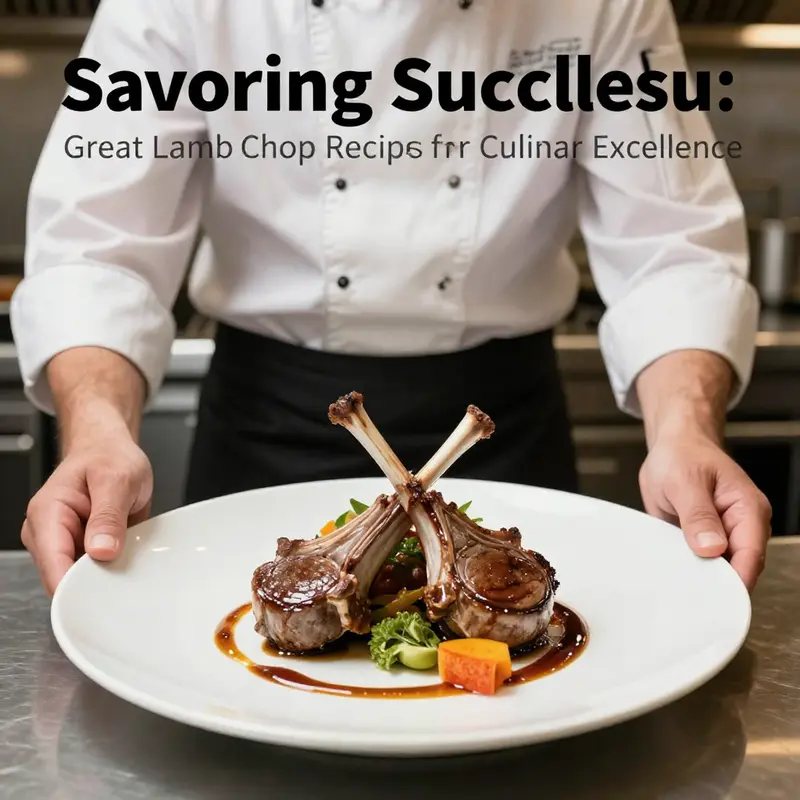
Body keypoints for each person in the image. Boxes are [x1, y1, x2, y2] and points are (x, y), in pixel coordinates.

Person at [12, 0, 771, 597]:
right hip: (269, 431)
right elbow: (99, 243)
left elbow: (671, 246)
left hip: (502, 434)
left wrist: (686, 427)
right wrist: (98, 430)